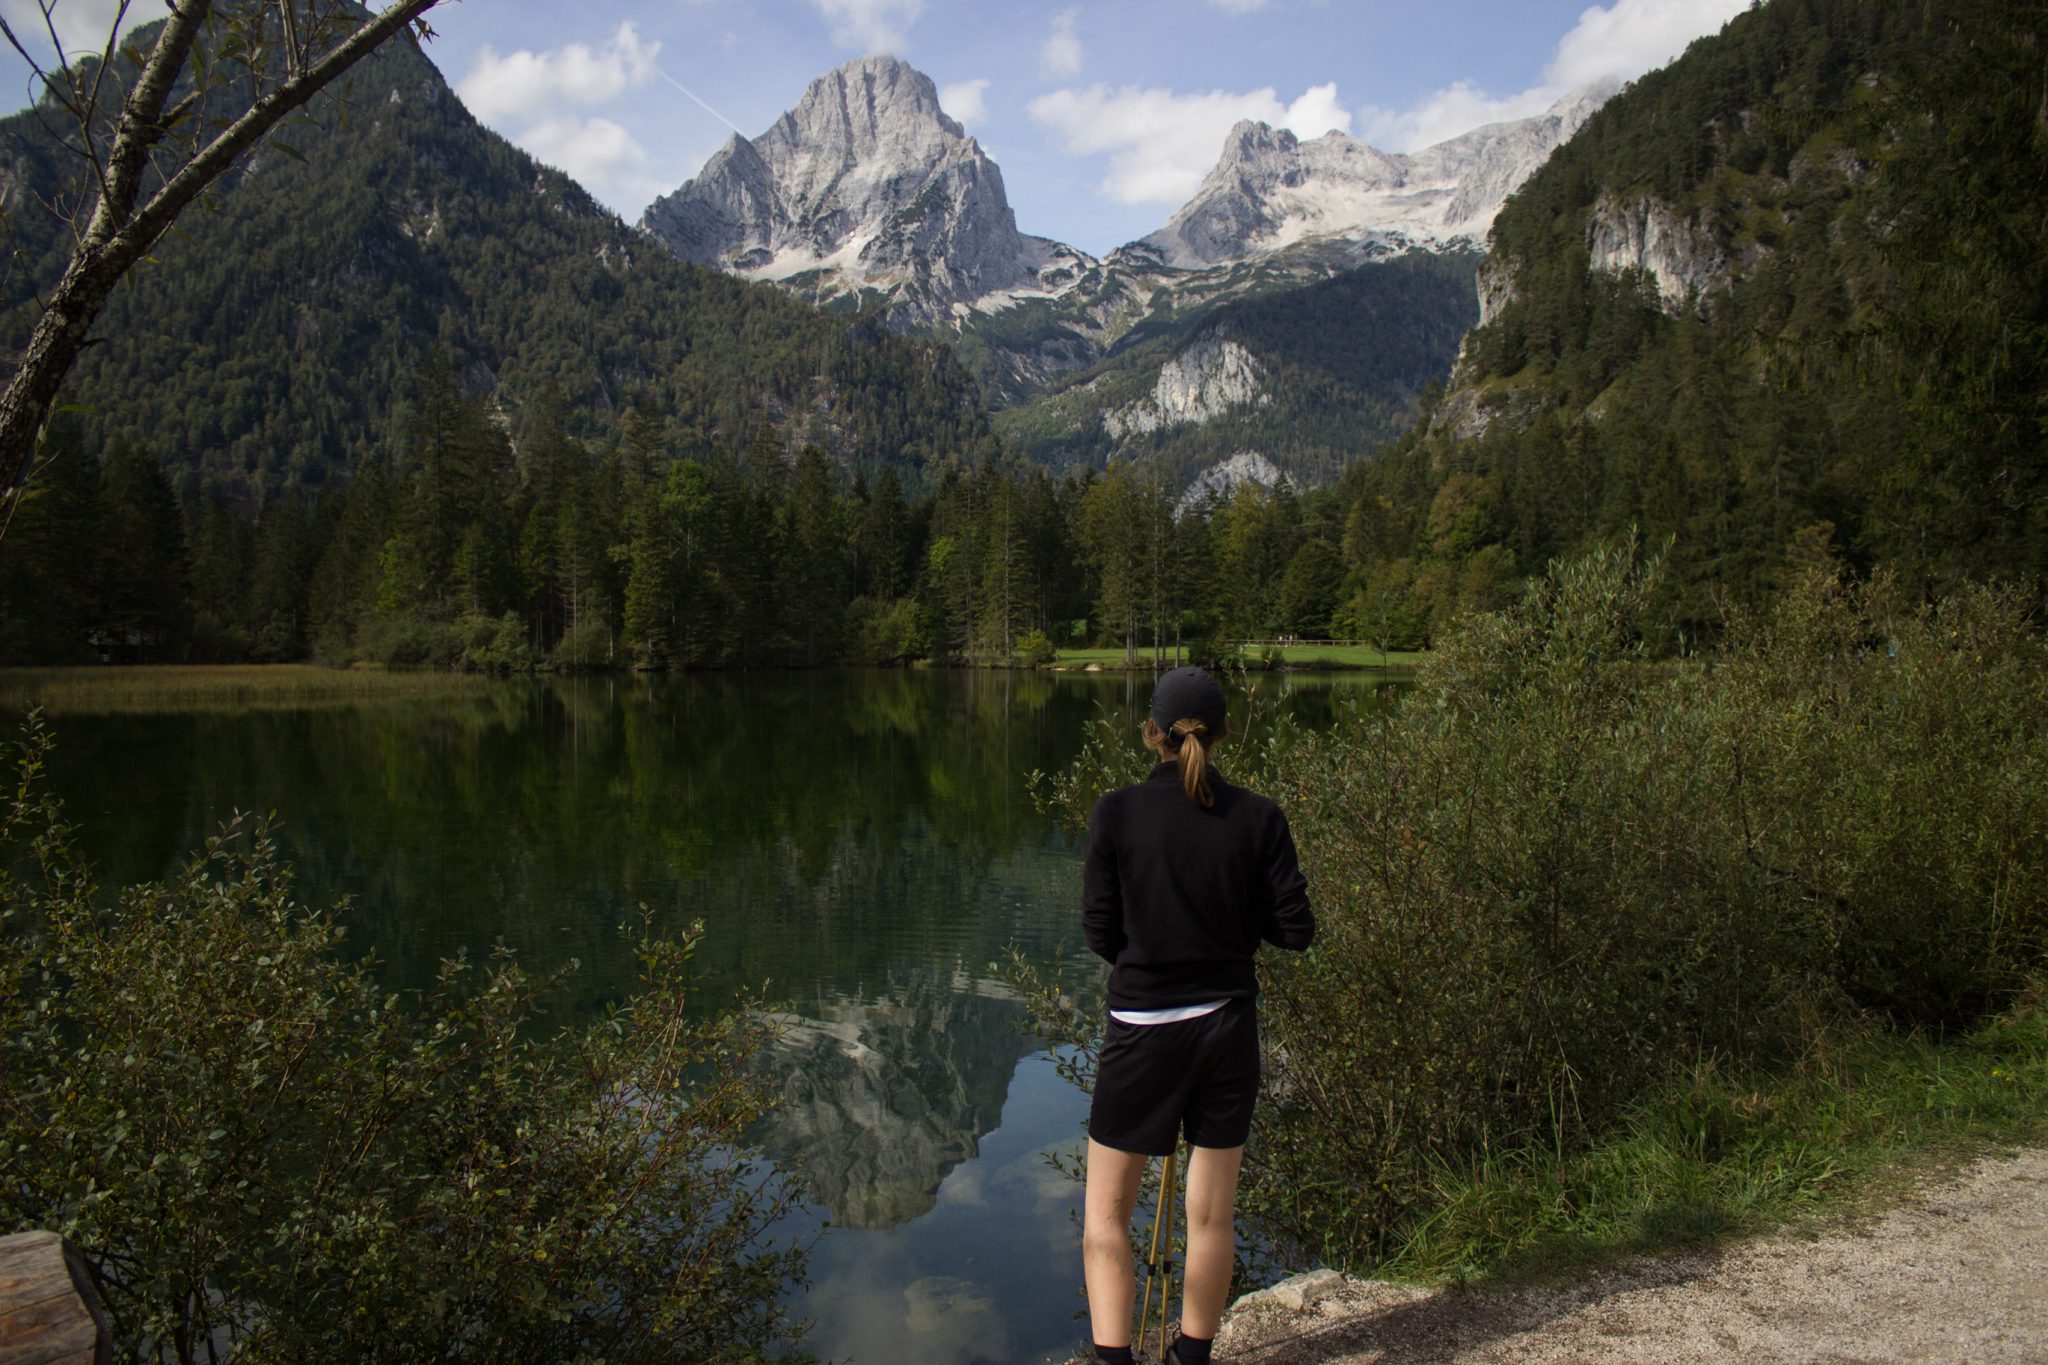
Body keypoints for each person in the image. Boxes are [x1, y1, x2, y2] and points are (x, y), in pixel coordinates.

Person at [1079, 666, 1315, 1365]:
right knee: (1211, 1216)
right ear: (1223, 732)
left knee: (1105, 1219)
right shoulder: (1260, 817)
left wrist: (1151, 960)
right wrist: (1229, 924)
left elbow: (1100, 932)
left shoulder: (1115, 812)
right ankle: (1191, 1356)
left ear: (1151, 731)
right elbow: (1295, 930)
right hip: (1226, 1030)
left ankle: (1113, 1358)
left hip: (1141, 1032)